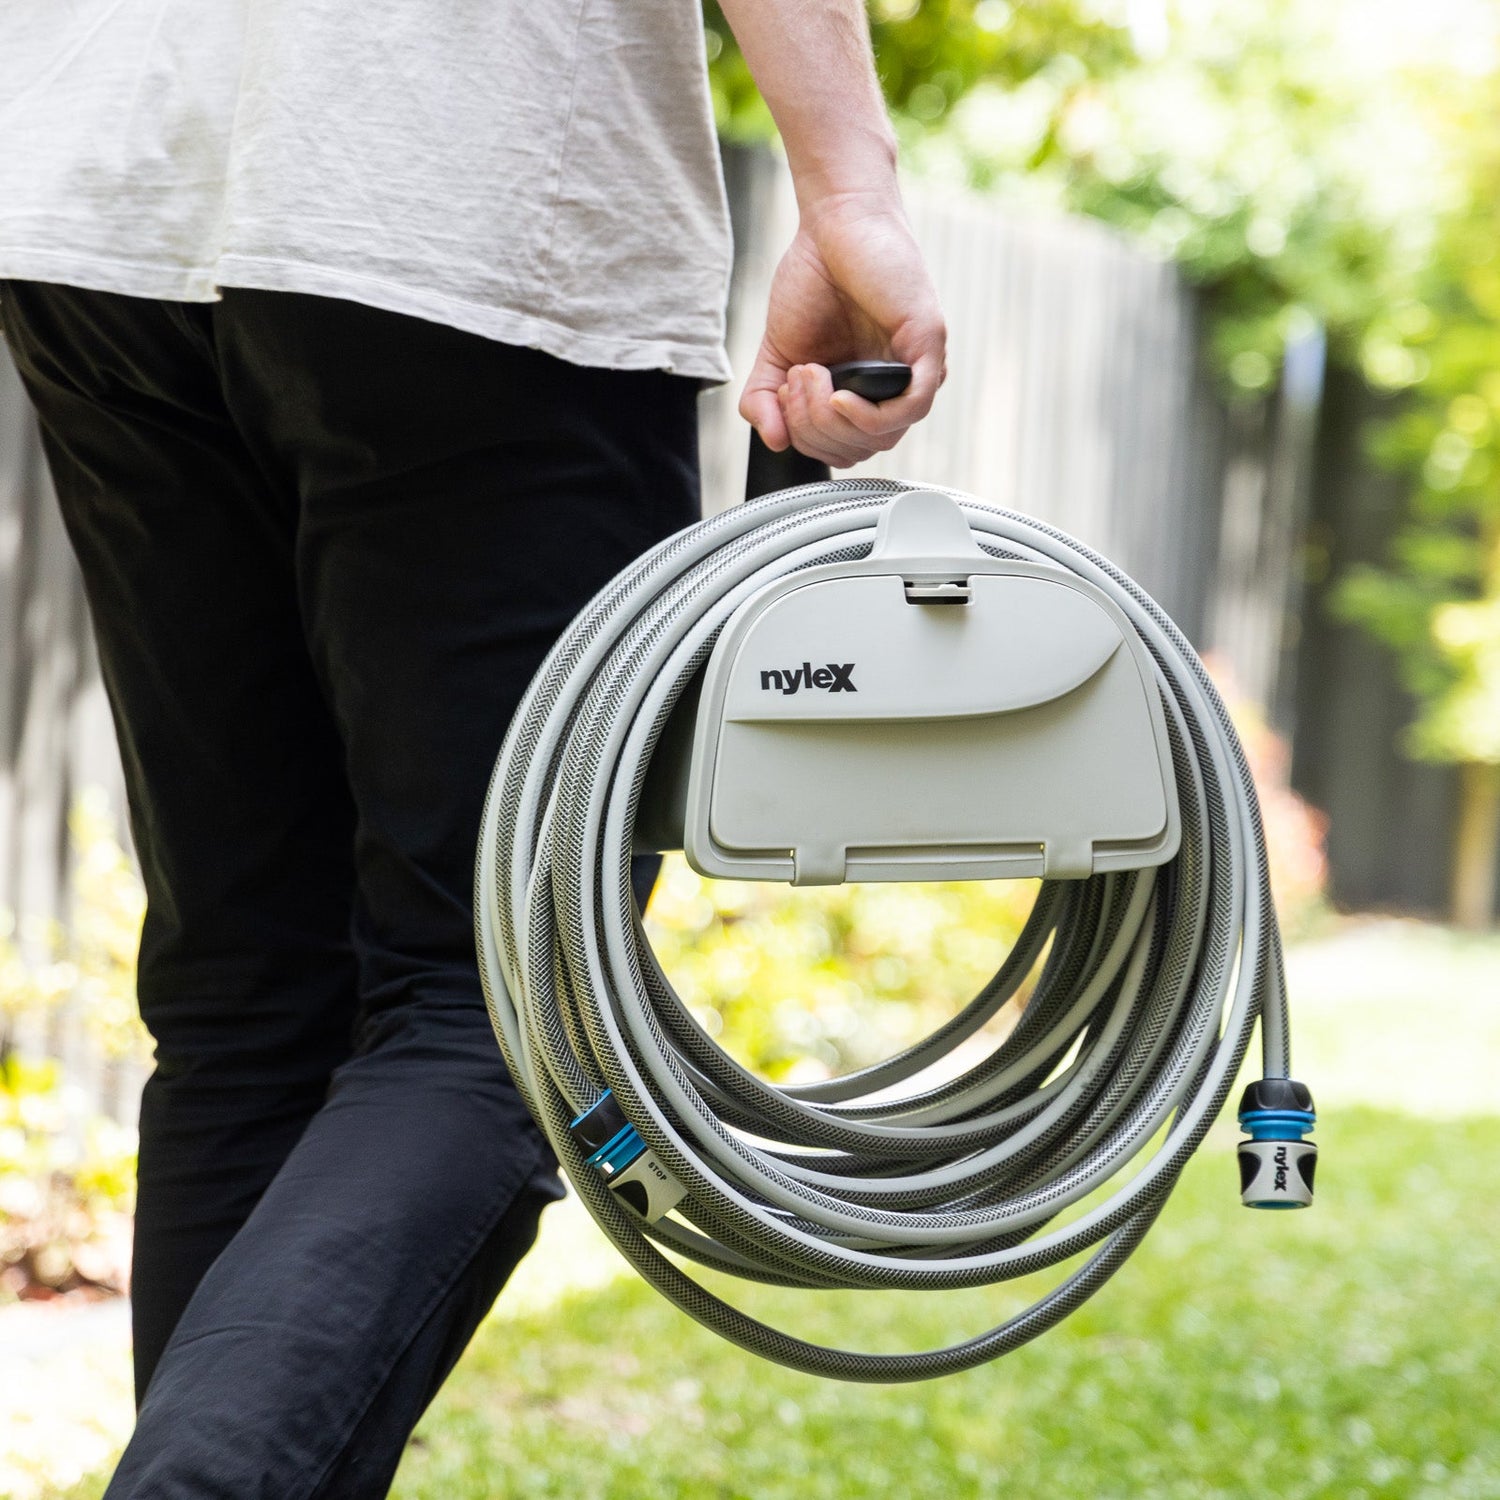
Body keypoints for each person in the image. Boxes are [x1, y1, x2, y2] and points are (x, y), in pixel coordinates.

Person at [0, 2, 946, 1493]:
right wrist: (852, 195)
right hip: (457, 186)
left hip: (98, 177)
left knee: (253, 987)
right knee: (508, 993)